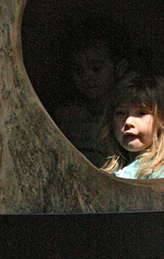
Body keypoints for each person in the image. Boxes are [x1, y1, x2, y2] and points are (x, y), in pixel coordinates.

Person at [53, 18, 130, 164]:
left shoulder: (127, 117)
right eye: (78, 70)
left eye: (96, 68)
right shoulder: (67, 117)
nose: (86, 77)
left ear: (119, 68)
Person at [101, 71, 164, 179]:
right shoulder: (118, 168)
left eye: (141, 113)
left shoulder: (161, 173)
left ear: (162, 121)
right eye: (121, 113)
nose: (128, 122)